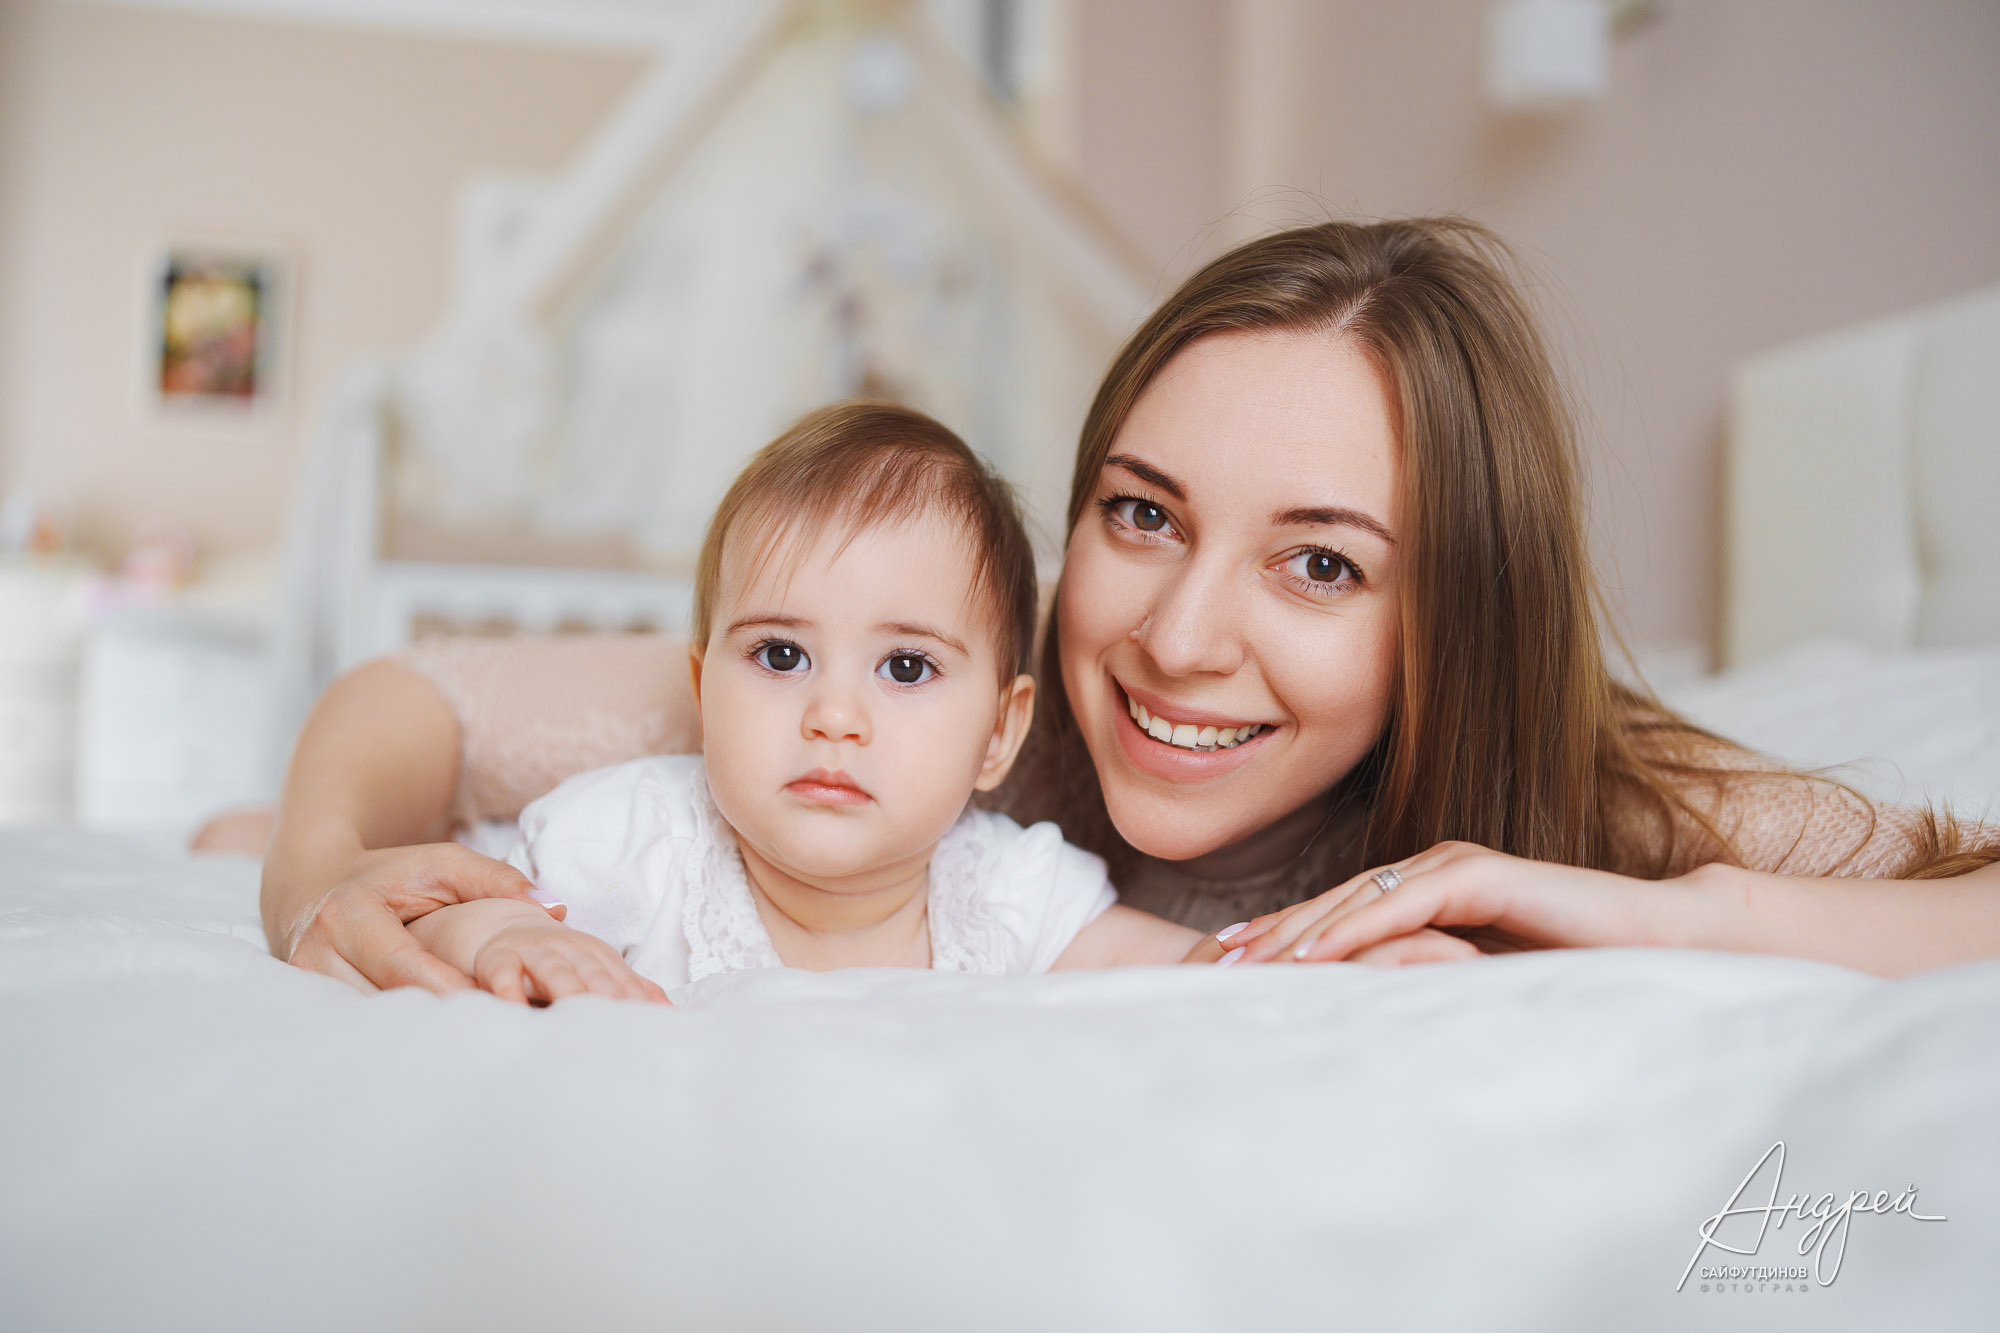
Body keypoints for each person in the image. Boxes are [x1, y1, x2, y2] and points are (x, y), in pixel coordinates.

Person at [257, 218, 2000, 991]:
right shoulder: (915, 710)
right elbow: (414, 699)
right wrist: (315, 859)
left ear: (1453, 618)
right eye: (1143, 515)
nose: (1176, 636)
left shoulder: (1586, 785)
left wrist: (1602, 898)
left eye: (1321, 562)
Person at [404, 404, 1199, 1002]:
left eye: (907, 666)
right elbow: (428, 917)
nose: (834, 716)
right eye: (781, 655)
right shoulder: (633, 844)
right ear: (702, 689)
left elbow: (1195, 972)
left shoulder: (1008, 891)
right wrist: (492, 932)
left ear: (997, 733)